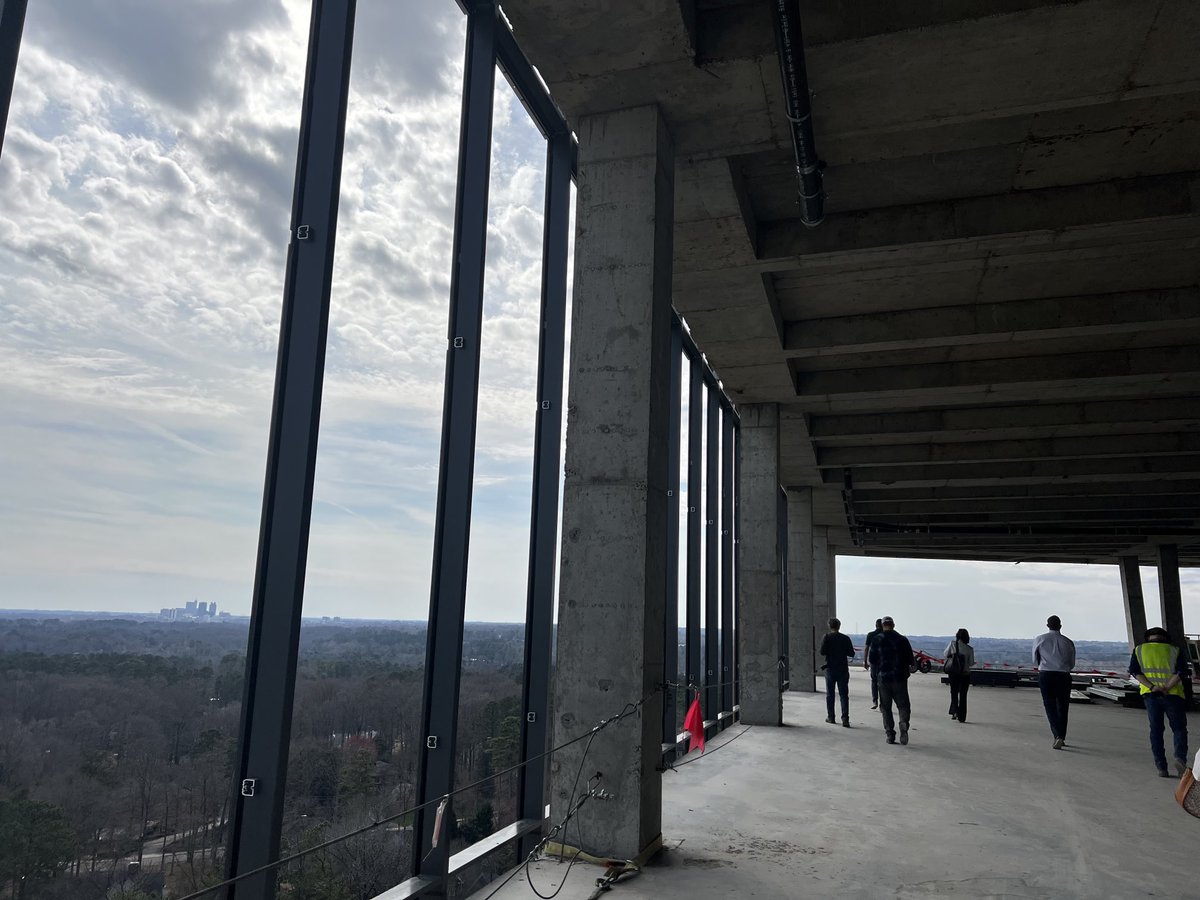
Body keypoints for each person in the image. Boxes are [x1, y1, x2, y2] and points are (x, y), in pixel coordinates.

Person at [1128, 626, 1190, 778]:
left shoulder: (1139, 650)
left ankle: (1161, 767)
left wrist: (1153, 687)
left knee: (1156, 730)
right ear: (1165, 638)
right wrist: (1167, 687)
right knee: (1179, 729)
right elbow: (1181, 672)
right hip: (1173, 694)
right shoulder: (1175, 650)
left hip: (1151, 695)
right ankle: (1179, 758)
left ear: (1148, 637)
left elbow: (1135, 672)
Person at [1033, 615, 1075, 749]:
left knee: (1049, 705)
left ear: (1047, 626)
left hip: (1046, 674)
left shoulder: (1040, 639)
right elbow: (1072, 663)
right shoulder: (1068, 642)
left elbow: (1035, 660)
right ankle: (1061, 736)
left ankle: (1057, 735)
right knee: (1063, 706)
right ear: (1060, 626)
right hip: (1063, 675)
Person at [869, 616, 914, 745]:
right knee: (903, 705)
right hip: (900, 678)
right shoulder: (902, 640)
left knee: (886, 707)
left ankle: (890, 734)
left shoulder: (877, 640)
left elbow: (872, 660)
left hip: (883, 678)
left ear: (883, 626)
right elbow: (910, 659)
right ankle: (903, 722)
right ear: (893, 625)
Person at [819, 617, 856, 727]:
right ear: (839, 626)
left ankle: (831, 717)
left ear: (829, 626)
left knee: (830, 694)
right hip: (843, 669)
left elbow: (822, 652)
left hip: (830, 669)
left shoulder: (826, 637)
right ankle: (845, 719)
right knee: (844, 695)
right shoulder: (845, 638)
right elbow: (852, 653)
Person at [943, 628, 975, 723]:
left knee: (954, 693)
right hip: (965, 674)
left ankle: (954, 712)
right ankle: (962, 717)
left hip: (954, 673)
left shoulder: (953, 644)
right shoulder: (970, 649)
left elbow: (945, 654)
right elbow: (971, 663)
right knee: (963, 695)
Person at [863, 618, 884, 709]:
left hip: (873, 661)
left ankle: (875, 701)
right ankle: (882, 703)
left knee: (874, 681)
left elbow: (866, 648)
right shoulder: (885, 635)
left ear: (875, 625)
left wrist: (865, 661)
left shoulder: (870, 635)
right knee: (883, 682)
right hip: (884, 661)